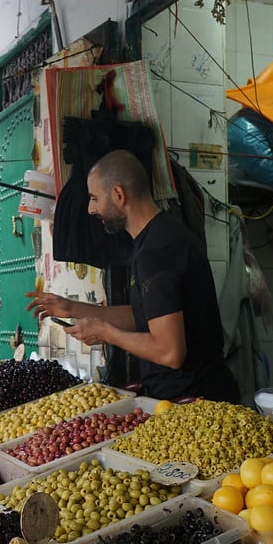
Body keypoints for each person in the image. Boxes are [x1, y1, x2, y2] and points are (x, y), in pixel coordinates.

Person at [26, 149, 238, 402]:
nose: (91, 209)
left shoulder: (157, 251)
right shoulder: (158, 236)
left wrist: (105, 333)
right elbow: (147, 315)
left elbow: (170, 352)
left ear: (118, 195)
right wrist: (72, 308)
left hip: (195, 403)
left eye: (95, 198)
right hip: (190, 396)